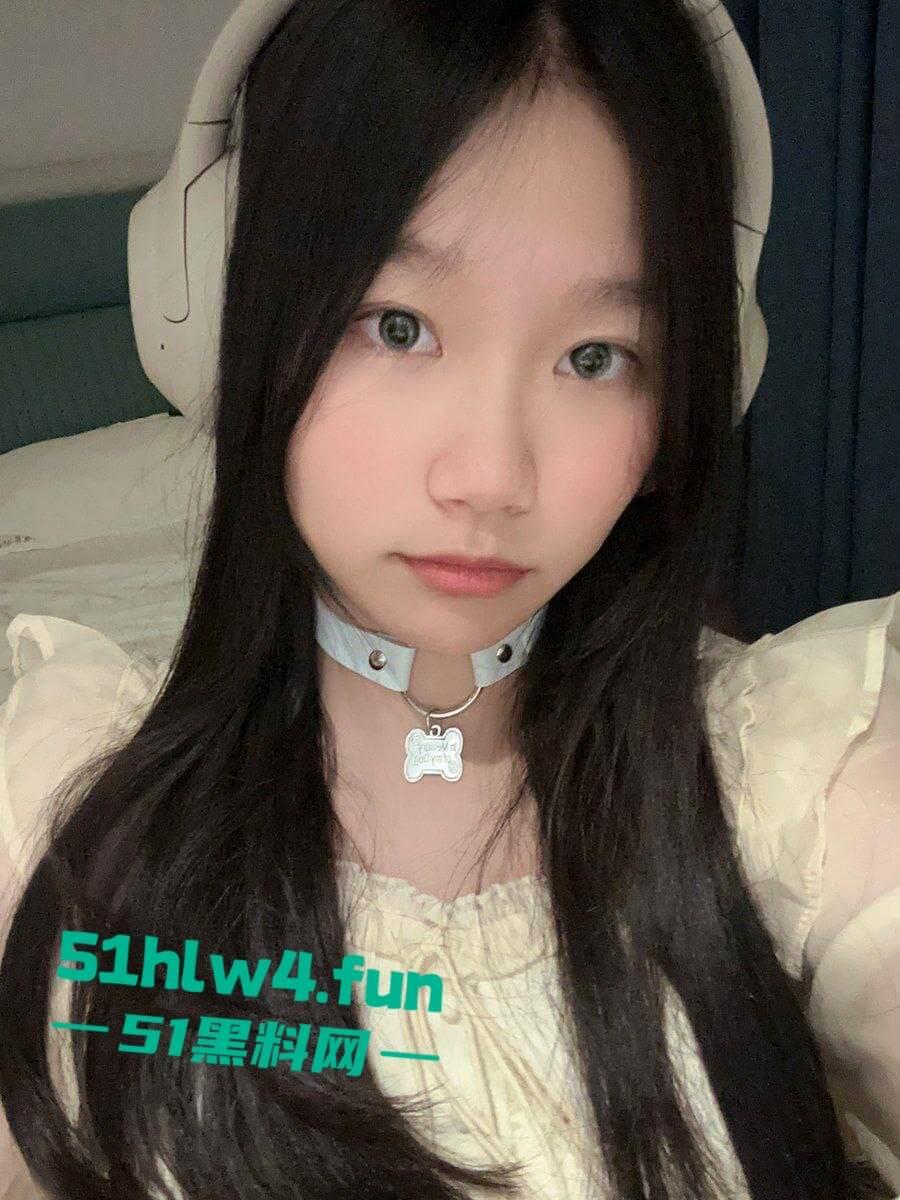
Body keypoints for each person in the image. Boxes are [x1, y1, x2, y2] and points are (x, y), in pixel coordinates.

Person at [0, 1, 898, 1198]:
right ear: (222, 318)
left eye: (596, 357)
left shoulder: (792, 784)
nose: (491, 478)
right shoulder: (56, 822)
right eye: (399, 325)